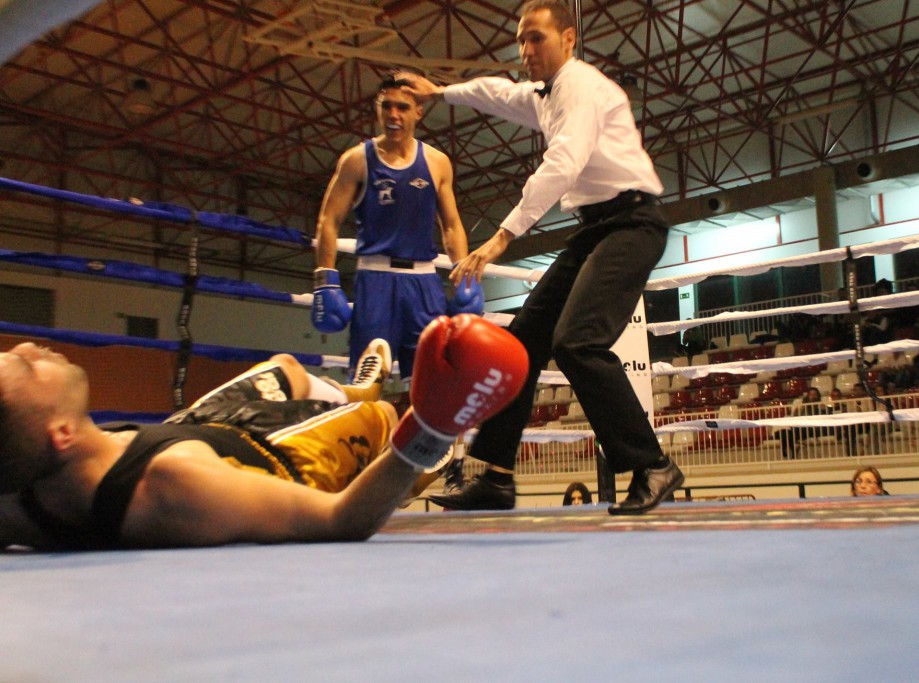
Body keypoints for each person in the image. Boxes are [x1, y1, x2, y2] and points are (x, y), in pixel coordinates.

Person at [398, 0, 683, 516]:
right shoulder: (545, 93)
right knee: (521, 346)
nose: (526, 49)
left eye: (537, 38)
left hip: (634, 224)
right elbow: (497, 93)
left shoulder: (583, 87)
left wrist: (502, 237)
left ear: (569, 39)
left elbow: (564, 163)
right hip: (597, 228)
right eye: (522, 39)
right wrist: (440, 91)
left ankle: (652, 465)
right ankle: (497, 479)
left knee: (577, 343)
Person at [0, 315, 528, 550]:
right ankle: (372, 409)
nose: (27, 348)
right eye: (24, 370)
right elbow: (341, 520)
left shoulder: (24, 497)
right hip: (279, 457)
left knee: (286, 367)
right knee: (387, 421)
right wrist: (432, 425)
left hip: (189, 429)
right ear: (61, 433)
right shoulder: (175, 484)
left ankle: (351, 391)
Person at [311, 77, 481, 380]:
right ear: (377, 110)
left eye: (402, 107)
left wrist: (463, 278)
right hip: (375, 280)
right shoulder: (356, 160)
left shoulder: (437, 162)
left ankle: (431, 430)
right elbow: (328, 220)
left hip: (424, 283)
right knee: (367, 381)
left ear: (418, 112)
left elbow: (452, 225)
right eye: (386, 106)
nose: (393, 115)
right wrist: (325, 280)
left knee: (433, 380)